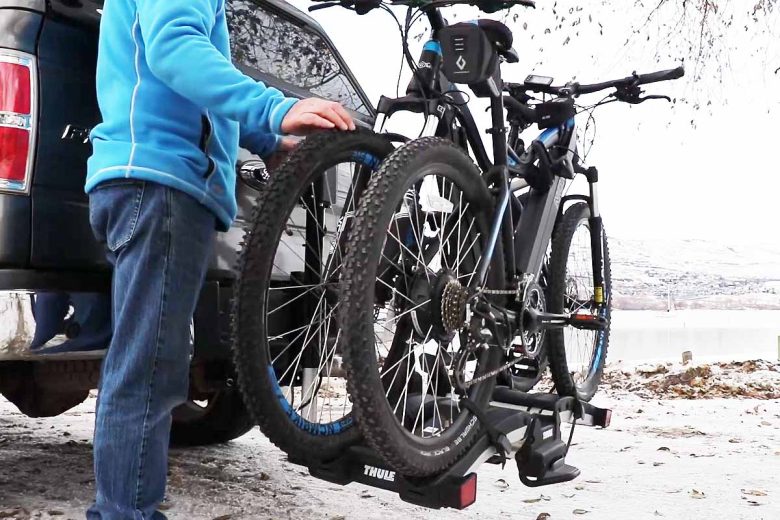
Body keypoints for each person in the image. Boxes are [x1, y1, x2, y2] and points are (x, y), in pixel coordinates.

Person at [85, 1, 355, 518]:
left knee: (146, 362)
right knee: (147, 370)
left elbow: (191, 84)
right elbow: (175, 51)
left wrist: (266, 138)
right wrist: (272, 106)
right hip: (158, 184)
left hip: (152, 182)